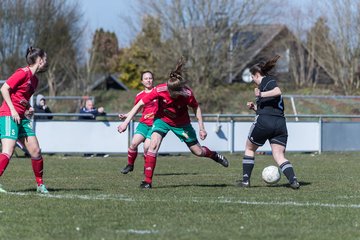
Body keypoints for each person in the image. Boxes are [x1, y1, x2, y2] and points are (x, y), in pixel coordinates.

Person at [118, 57, 229, 189]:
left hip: (182, 124)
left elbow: (196, 107)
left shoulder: (186, 93)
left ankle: (214, 155)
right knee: (152, 145)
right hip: (162, 121)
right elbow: (140, 104)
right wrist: (126, 122)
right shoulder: (160, 90)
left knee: (198, 152)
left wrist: (201, 128)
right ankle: (147, 181)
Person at [236, 55, 300, 189]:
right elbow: (269, 106)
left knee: (249, 148)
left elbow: (278, 91)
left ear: (257, 74)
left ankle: (246, 181)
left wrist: (260, 95)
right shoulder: (265, 86)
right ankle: (293, 180)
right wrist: (255, 108)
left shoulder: (267, 81)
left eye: (252, 77)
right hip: (280, 124)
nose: (252, 80)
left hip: (265, 122)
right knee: (279, 155)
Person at [0, 46, 49, 193]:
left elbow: (21, 97)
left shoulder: (35, 80)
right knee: (8, 150)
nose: (46, 62)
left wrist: (28, 107)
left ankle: (40, 185)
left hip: (21, 117)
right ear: (39, 60)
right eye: (45, 59)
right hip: (9, 114)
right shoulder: (22, 73)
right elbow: (4, 89)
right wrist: (14, 110)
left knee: (36, 151)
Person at [119, 71, 158, 174]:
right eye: (146, 78)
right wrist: (127, 115)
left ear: (153, 79)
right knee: (133, 143)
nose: (148, 80)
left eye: (150, 78)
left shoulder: (158, 92)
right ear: (142, 81)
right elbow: (136, 109)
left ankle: (147, 168)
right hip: (144, 124)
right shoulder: (140, 95)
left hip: (155, 125)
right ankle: (130, 165)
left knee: (146, 147)